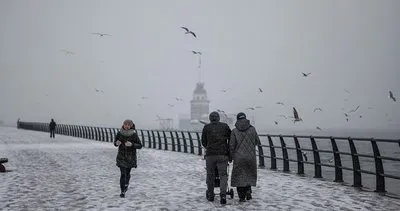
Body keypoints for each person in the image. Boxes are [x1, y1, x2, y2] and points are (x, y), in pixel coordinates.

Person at [201, 111, 231, 204]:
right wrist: (227, 148)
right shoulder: (225, 126)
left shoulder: (206, 127)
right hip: (223, 155)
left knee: (210, 175)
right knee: (223, 175)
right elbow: (231, 138)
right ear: (219, 118)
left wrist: (209, 147)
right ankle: (223, 194)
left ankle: (210, 194)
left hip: (210, 155)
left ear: (210, 118)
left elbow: (203, 141)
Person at [229, 112, 260, 202]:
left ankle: (241, 197)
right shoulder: (252, 129)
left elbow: (231, 145)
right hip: (250, 157)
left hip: (239, 157)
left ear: (237, 119)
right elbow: (257, 141)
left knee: (239, 176)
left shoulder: (234, 131)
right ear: (246, 118)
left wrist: (230, 157)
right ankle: (248, 191)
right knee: (248, 174)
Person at [114, 119, 142, 198]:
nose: (126, 126)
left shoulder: (134, 135)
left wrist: (132, 144)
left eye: (128, 125)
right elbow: (115, 143)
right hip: (121, 157)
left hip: (130, 158)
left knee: (127, 174)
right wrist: (116, 143)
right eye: (125, 124)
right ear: (123, 125)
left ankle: (126, 184)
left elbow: (140, 145)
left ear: (131, 126)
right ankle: (122, 191)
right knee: (123, 174)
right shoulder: (119, 133)